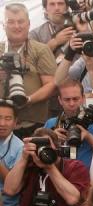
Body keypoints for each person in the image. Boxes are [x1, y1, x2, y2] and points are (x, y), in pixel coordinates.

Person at [1, 3, 58, 136]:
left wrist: (28, 100)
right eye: (11, 22)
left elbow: (51, 85)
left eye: (21, 21)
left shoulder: (41, 50)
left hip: (32, 124)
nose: (16, 26)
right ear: (3, 25)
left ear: (28, 24)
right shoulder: (0, 49)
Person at [0, 101, 24, 206]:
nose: (2, 123)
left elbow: (15, 187)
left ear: (15, 122)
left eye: (8, 118)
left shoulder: (20, 148)